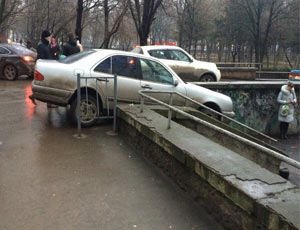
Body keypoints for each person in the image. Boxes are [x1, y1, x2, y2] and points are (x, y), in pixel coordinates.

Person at [29, 30, 57, 108]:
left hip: (46, 67)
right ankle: (49, 103)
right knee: (48, 85)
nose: (50, 38)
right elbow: (41, 58)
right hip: (44, 69)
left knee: (44, 85)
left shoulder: (45, 44)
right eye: (49, 36)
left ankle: (33, 96)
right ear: (46, 37)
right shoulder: (41, 46)